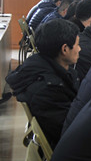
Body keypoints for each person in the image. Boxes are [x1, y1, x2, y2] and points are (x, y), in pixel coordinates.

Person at [6, 19, 81, 147]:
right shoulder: (48, 89)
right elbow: (67, 131)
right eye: (77, 45)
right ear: (64, 49)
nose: (80, 49)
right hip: (67, 146)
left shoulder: (39, 64)